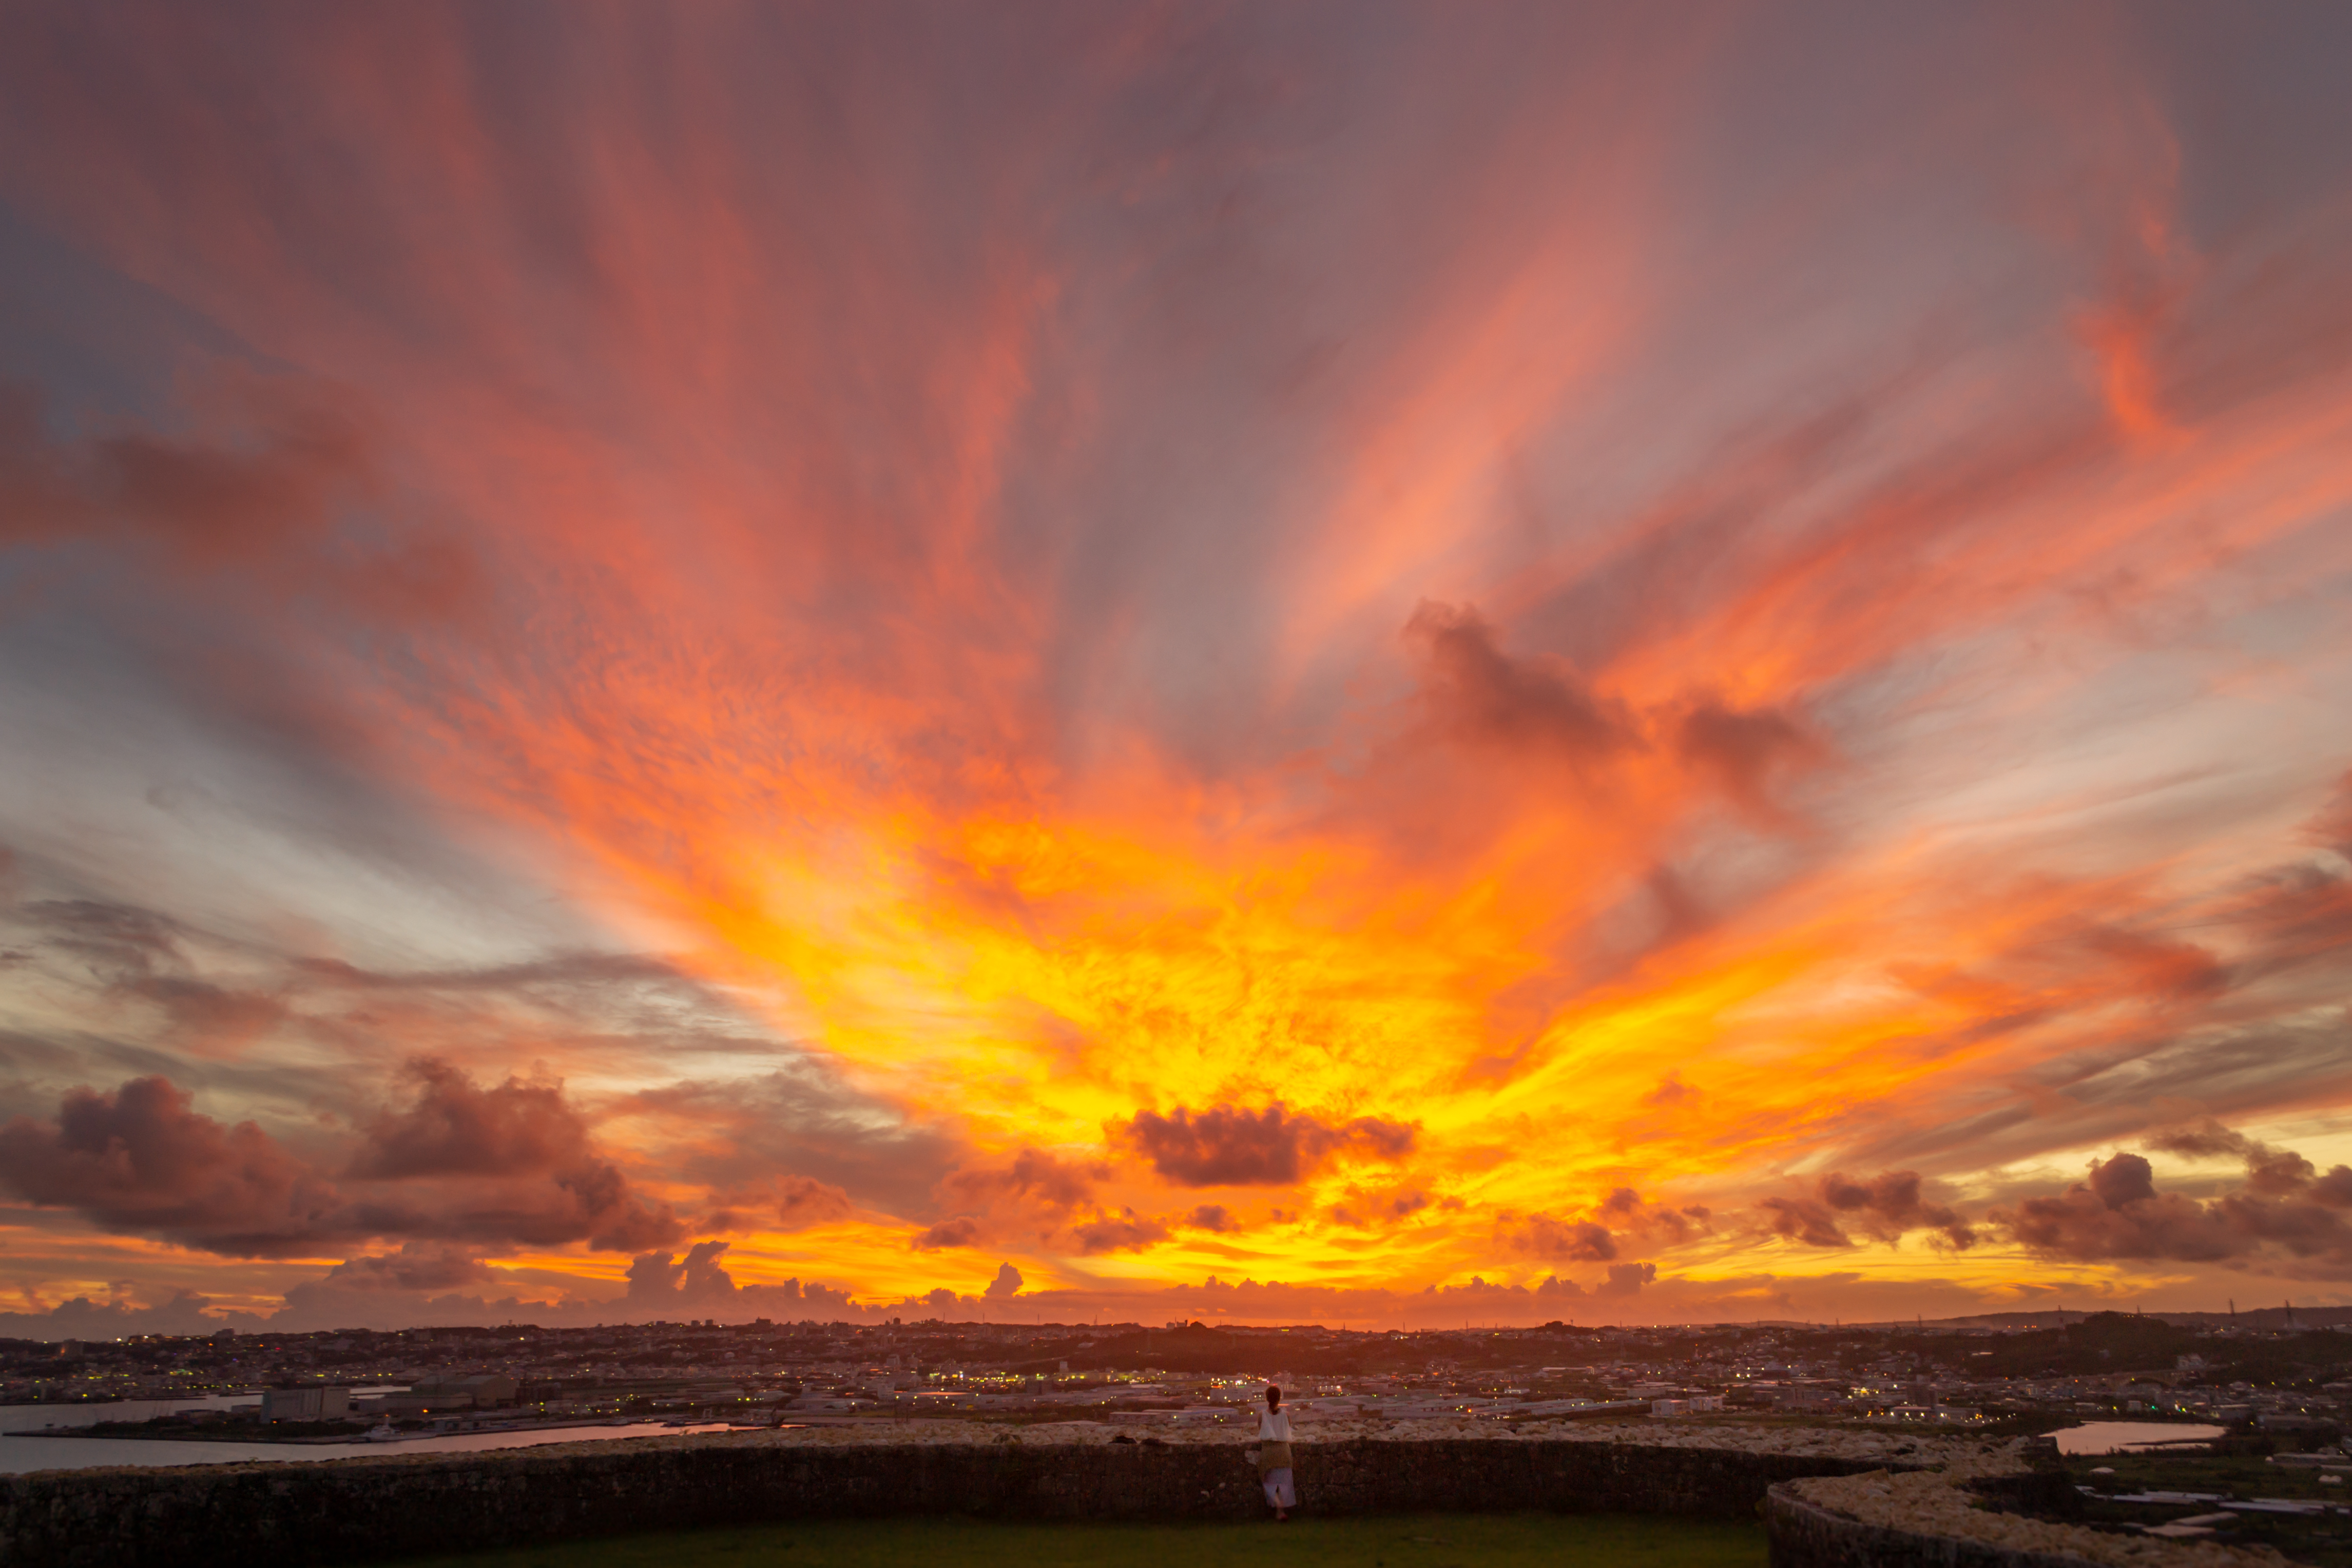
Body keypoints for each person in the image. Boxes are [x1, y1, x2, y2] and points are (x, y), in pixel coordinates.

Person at [1254, 1383, 1296, 1521]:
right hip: (1284, 1451)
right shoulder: (1287, 1415)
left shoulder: (1262, 1415)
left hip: (1269, 1452)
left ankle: (1278, 1506)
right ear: (1279, 1398)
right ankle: (1281, 1512)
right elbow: (1286, 1430)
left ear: (1267, 1398)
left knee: (1269, 1485)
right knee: (1285, 1485)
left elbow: (1262, 1431)